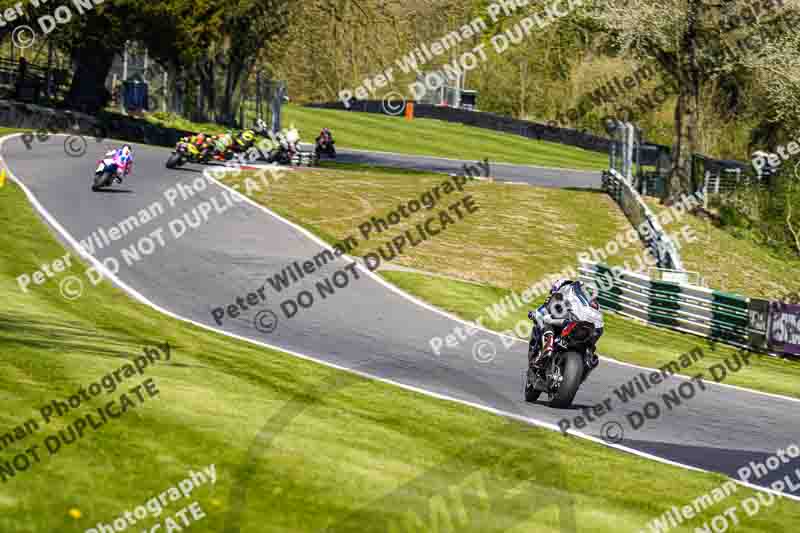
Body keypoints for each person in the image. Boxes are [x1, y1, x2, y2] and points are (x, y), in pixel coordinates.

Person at [527, 278, 603, 373]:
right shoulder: (593, 303)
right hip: (594, 327)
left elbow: (541, 312)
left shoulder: (561, 293)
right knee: (590, 355)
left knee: (545, 318)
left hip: (571, 320)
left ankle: (548, 343)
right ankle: (589, 358)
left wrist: (533, 314)